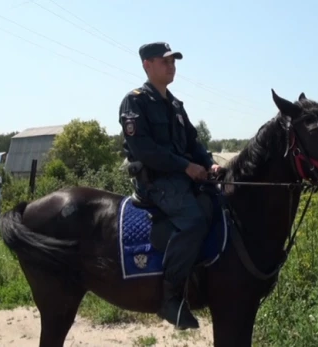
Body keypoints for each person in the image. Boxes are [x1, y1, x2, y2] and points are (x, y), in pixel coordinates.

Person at [118, 41, 220, 330]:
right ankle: (170, 297)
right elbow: (145, 150)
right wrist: (185, 166)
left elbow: (193, 142)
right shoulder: (135, 102)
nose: (171, 65)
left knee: (218, 204)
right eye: (165, 61)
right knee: (192, 220)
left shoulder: (175, 105)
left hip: (182, 178)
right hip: (156, 182)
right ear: (147, 65)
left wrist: (208, 163)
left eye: (173, 61)